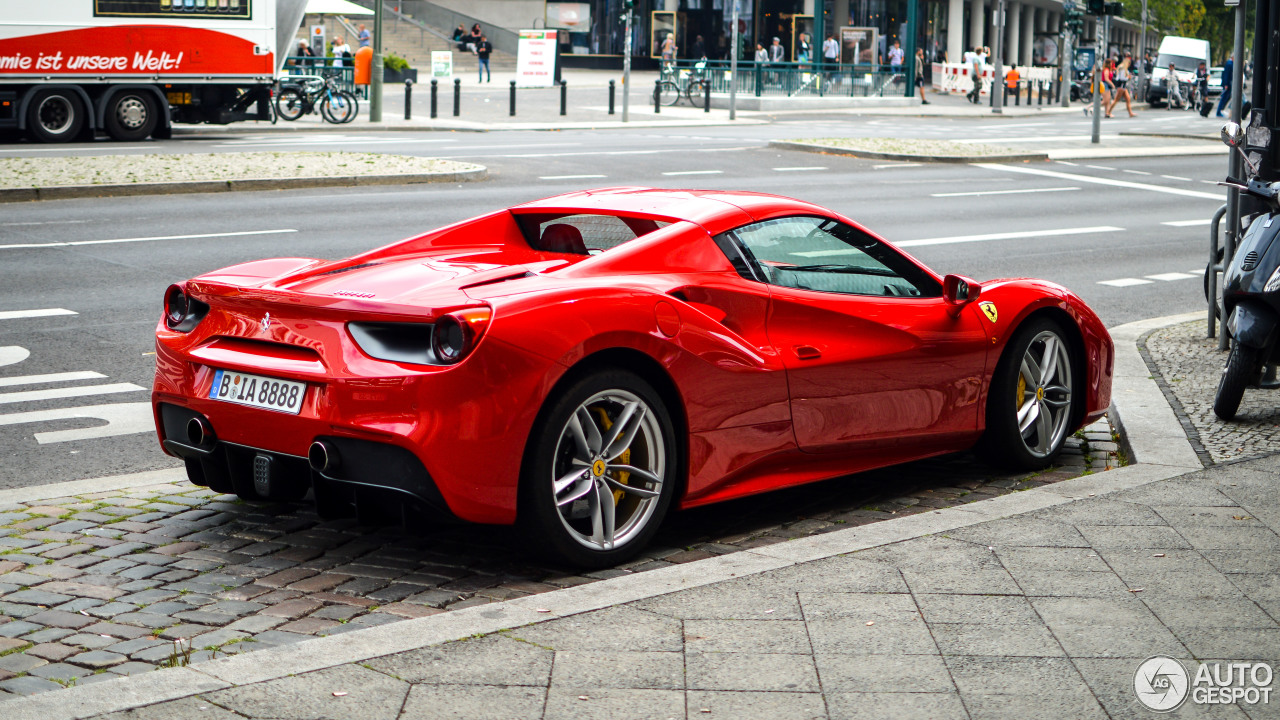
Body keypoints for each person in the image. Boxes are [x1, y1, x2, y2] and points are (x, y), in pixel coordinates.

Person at [1109, 53, 1135, 117]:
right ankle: (1108, 112)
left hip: (1123, 86)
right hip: (1121, 86)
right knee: (1116, 100)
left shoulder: (1122, 68)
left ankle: (1130, 113)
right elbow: (1122, 78)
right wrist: (1128, 77)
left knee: (1128, 99)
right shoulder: (1123, 69)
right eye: (1129, 63)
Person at [1217, 53, 1234, 117]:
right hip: (1228, 84)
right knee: (1224, 98)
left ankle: (1221, 110)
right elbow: (1226, 75)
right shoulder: (1229, 64)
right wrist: (1226, 84)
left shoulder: (1230, 63)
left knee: (1226, 98)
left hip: (1229, 83)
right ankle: (1219, 111)